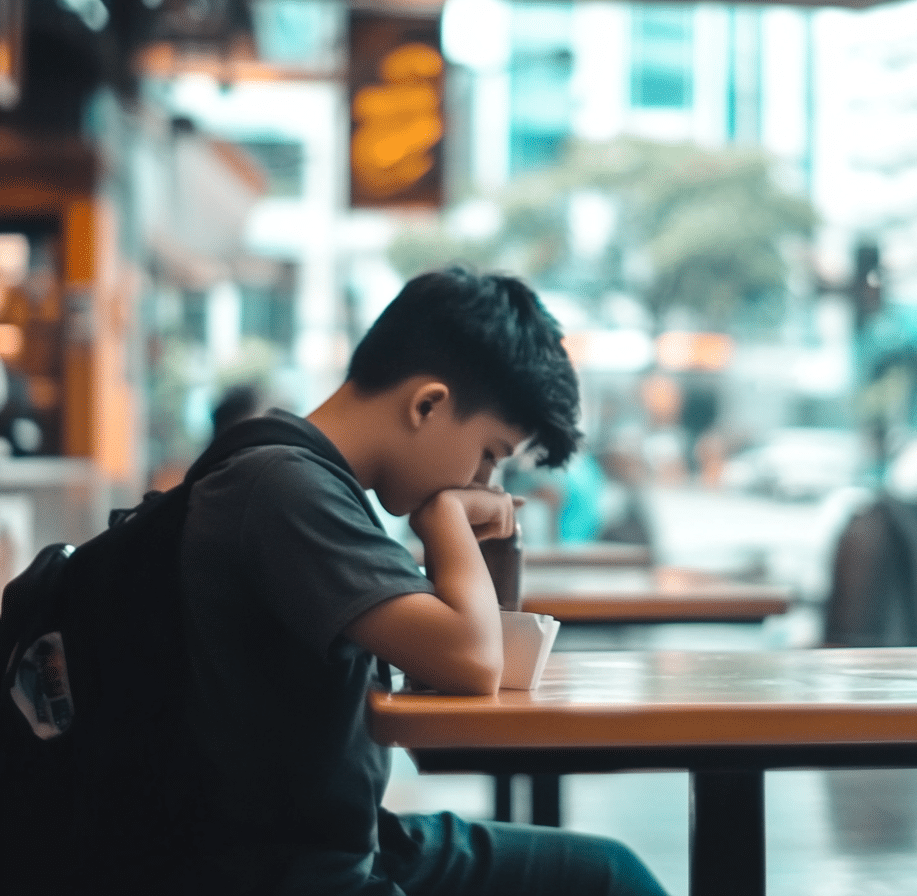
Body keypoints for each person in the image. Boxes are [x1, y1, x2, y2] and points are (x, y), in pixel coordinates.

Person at [179, 267, 670, 896]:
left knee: (608, 874)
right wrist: (445, 519)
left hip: (345, 845)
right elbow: (472, 660)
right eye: (489, 453)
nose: (486, 482)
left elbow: (475, 643)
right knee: (605, 882)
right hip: (288, 873)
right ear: (428, 404)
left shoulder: (310, 483)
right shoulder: (284, 490)